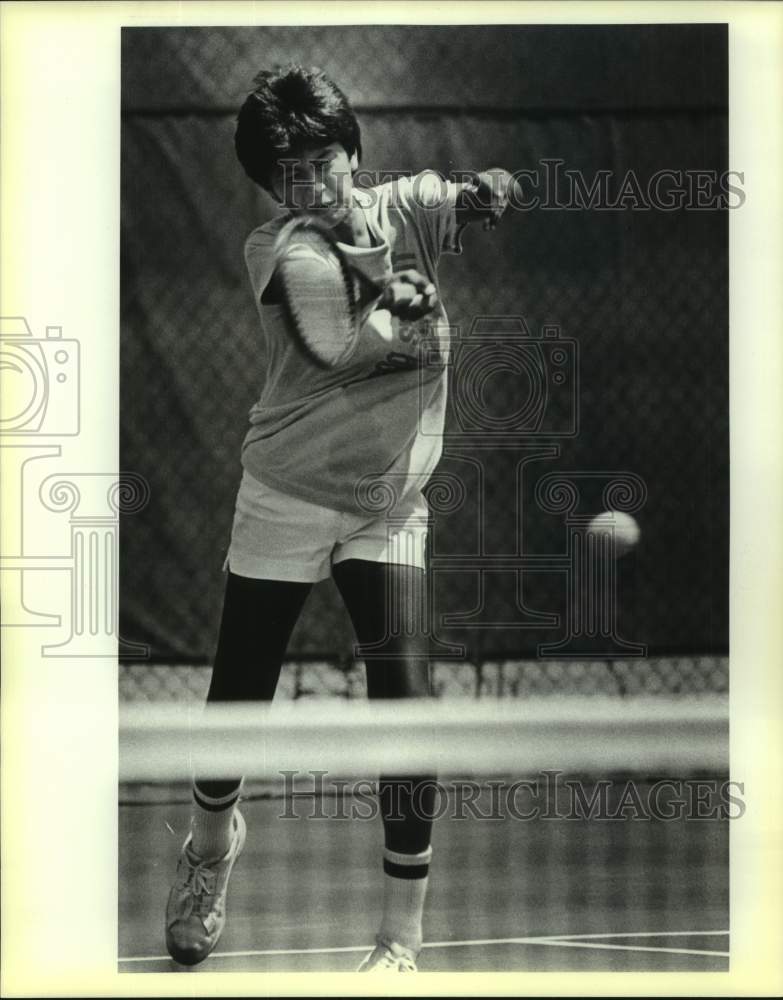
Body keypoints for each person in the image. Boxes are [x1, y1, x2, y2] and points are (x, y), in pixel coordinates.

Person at [164, 64, 515, 973]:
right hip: (286, 492)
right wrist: (402, 308)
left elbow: (456, 198)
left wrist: (486, 193)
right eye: (289, 174)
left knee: (406, 702)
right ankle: (209, 850)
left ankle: (400, 941)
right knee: (237, 699)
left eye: (324, 161)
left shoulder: (404, 206)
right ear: (268, 187)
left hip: (387, 505)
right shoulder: (278, 250)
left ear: (353, 152)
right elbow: (343, 341)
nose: (312, 184)